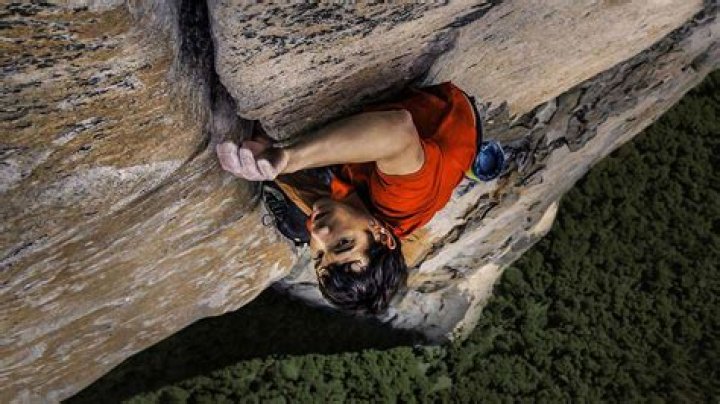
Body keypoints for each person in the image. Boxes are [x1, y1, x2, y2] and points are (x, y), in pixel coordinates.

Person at [216, 82, 479, 314]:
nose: (320, 234)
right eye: (343, 243)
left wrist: (265, 155)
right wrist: (288, 157)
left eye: (319, 257)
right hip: (444, 109)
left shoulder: (338, 223)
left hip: (364, 187)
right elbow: (399, 129)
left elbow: (314, 208)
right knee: (300, 211)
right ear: (382, 235)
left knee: (300, 222)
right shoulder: (401, 201)